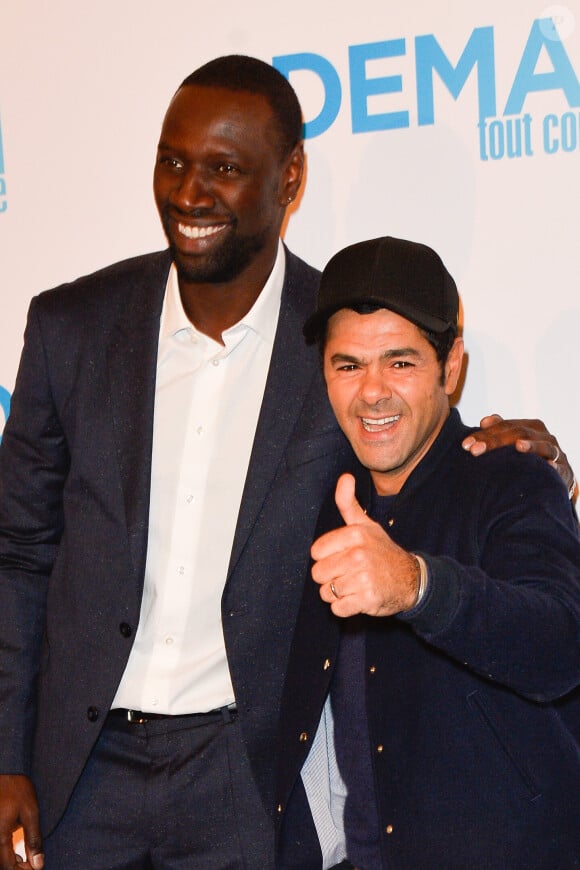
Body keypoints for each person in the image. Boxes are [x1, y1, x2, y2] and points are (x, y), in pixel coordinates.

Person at [0, 56, 573, 870]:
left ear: (290, 177)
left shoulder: (338, 338)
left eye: (225, 169)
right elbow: (19, 553)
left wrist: (508, 444)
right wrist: (7, 753)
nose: (190, 192)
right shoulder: (71, 326)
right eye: (173, 161)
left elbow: (412, 439)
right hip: (78, 768)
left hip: (244, 770)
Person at [275, 236, 580, 870]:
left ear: (452, 366)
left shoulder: (511, 477)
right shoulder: (322, 499)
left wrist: (418, 586)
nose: (372, 392)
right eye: (348, 365)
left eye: (401, 363)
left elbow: (561, 644)